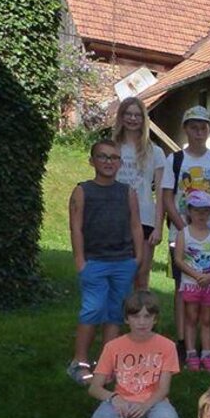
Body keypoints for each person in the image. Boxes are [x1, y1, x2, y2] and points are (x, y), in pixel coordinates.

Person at [68, 139, 144, 385]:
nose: (109, 162)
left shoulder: (127, 191)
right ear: (92, 161)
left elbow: (135, 225)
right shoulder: (82, 190)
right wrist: (80, 260)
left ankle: (105, 363)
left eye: (114, 157)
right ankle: (79, 362)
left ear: (120, 163)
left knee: (114, 313)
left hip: (123, 261)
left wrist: (137, 257)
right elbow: (76, 228)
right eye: (103, 156)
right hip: (94, 262)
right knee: (92, 309)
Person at [162, 106, 210, 357]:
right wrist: (184, 230)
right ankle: (183, 341)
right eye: (194, 127)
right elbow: (168, 197)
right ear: (186, 129)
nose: (199, 132)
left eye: (203, 127)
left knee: (209, 286)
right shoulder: (176, 159)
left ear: (209, 130)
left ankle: (206, 344)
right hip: (181, 233)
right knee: (183, 287)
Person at [86, 290, 179, 418]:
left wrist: (146, 405)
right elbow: (94, 388)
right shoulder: (113, 347)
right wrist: (114, 398)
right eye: (136, 317)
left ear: (155, 319)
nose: (142, 322)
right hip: (122, 400)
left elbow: (163, 389)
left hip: (154, 400)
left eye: (147, 316)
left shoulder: (167, 346)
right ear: (126, 319)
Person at [112, 96, 166, 290]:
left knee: (141, 273)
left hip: (145, 217)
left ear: (144, 119)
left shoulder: (156, 152)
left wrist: (159, 227)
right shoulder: (112, 148)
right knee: (119, 273)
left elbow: (161, 193)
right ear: (121, 117)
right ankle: (118, 316)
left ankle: (141, 317)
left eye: (137, 115)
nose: (133, 119)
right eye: (128, 114)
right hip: (116, 218)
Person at [175, 190, 210, 371]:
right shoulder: (184, 234)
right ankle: (190, 352)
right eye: (197, 211)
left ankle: (207, 353)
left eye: (205, 211)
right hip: (190, 282)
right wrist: (195, 276)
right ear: (189, 211)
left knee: (207, 319)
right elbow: (179, 259)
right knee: (191, 317)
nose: (201, 215)